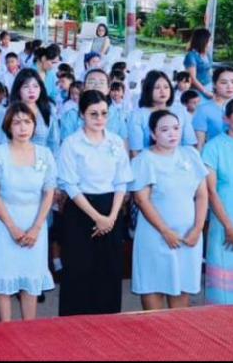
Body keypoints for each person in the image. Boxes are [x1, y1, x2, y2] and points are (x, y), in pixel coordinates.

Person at [57, 90, 133, 316]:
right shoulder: (71, 144)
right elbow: (70, 185)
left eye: (104, 113)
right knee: (79, 268)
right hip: (81, 209)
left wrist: (111, 217)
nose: (100, 119)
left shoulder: (115, 141)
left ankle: (108, 322)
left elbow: (121, 181)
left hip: (111, 209)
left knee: (109, 268)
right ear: (82, 114)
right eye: (93, 114)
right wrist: (97, 217)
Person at [0, 104, 56, 322]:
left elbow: (49, 192)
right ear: (8, 126)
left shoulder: (44, 154)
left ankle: (29, 331)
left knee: (30, 279)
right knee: (3, 281)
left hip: (35, 222)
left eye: (27, 122)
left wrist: (36, 227)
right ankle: (5, 331)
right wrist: (12, 228)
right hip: (4, 223)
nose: (23, 127)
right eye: (17, 122)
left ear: (34, 125)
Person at [130, 110, 208, 310]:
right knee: (153, 288)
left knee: (182, 292)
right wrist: (165, 231)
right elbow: (141, 199)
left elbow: (202, 194)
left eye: (176, 128)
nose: (172, 133)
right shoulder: (144, 159)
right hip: (155, 236)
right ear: (153, 134)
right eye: (164, 130)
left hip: (188, 236)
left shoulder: (190, 154)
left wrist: (198, 229)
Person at [203, 98, 233, 305]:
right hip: (225, 222)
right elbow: (211, 191)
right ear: (226, 119)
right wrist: (229, 227)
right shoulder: (213, 147)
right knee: (224, 292)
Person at [129, 71, 198, 157]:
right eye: (157, 88)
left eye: (166, 87)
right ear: (148, 90)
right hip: (150, 161)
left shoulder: (181, 111)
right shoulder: (137, 115)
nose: (162, 91)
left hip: (179, 160)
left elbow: (189, 144)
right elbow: (136, 151)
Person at [1, 69, 60, 154]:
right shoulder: (9, 112)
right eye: (26, 87)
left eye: (35, 86)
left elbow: (54, 142)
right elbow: (4, 141)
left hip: (43, 159)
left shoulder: (48, 110)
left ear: (41, 89)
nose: (31, 90)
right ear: (18, 90)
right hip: (16, 157)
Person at [193, 66, 233, 151]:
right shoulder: (204, 110)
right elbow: (200, 145)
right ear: (214, 84)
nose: (229, 86)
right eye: (224, 82)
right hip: (215, 155)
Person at [184, 28, 214, 100]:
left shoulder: (207, 54)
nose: (211, 42)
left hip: (209, 86)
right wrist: (205, 92)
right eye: (210, 40)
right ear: (203, 40)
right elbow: (192, 79)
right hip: (198, 90)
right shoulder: (191, 56)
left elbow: (209, 71)